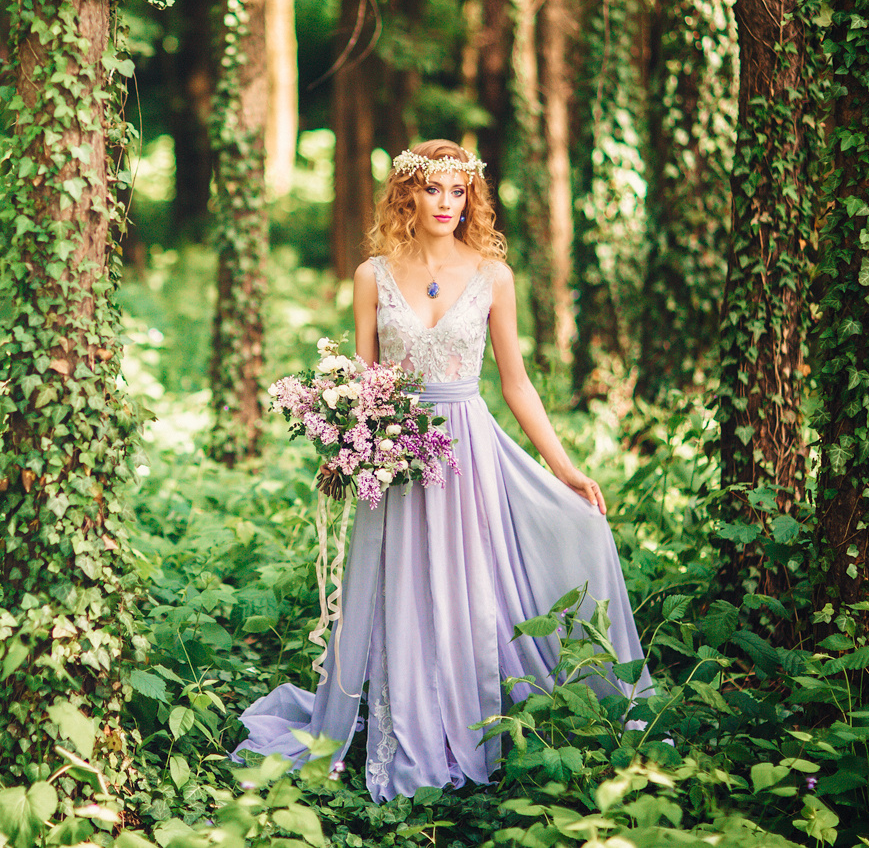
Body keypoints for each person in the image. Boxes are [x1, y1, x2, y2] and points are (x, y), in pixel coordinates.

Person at [232, 139, 653, 802]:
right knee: (402, 588)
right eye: (434, 190)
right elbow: (366, 378)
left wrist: (566, 468)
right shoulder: (372, 274)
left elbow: (516, 385)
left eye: (459, 192)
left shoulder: (493, 276)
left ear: (473, 197)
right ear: (408, 194)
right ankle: (408, 731)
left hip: (466, 452)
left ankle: (476, 721)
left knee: (471, 587)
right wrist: (348, 438)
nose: (447, 204)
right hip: (396, 454)